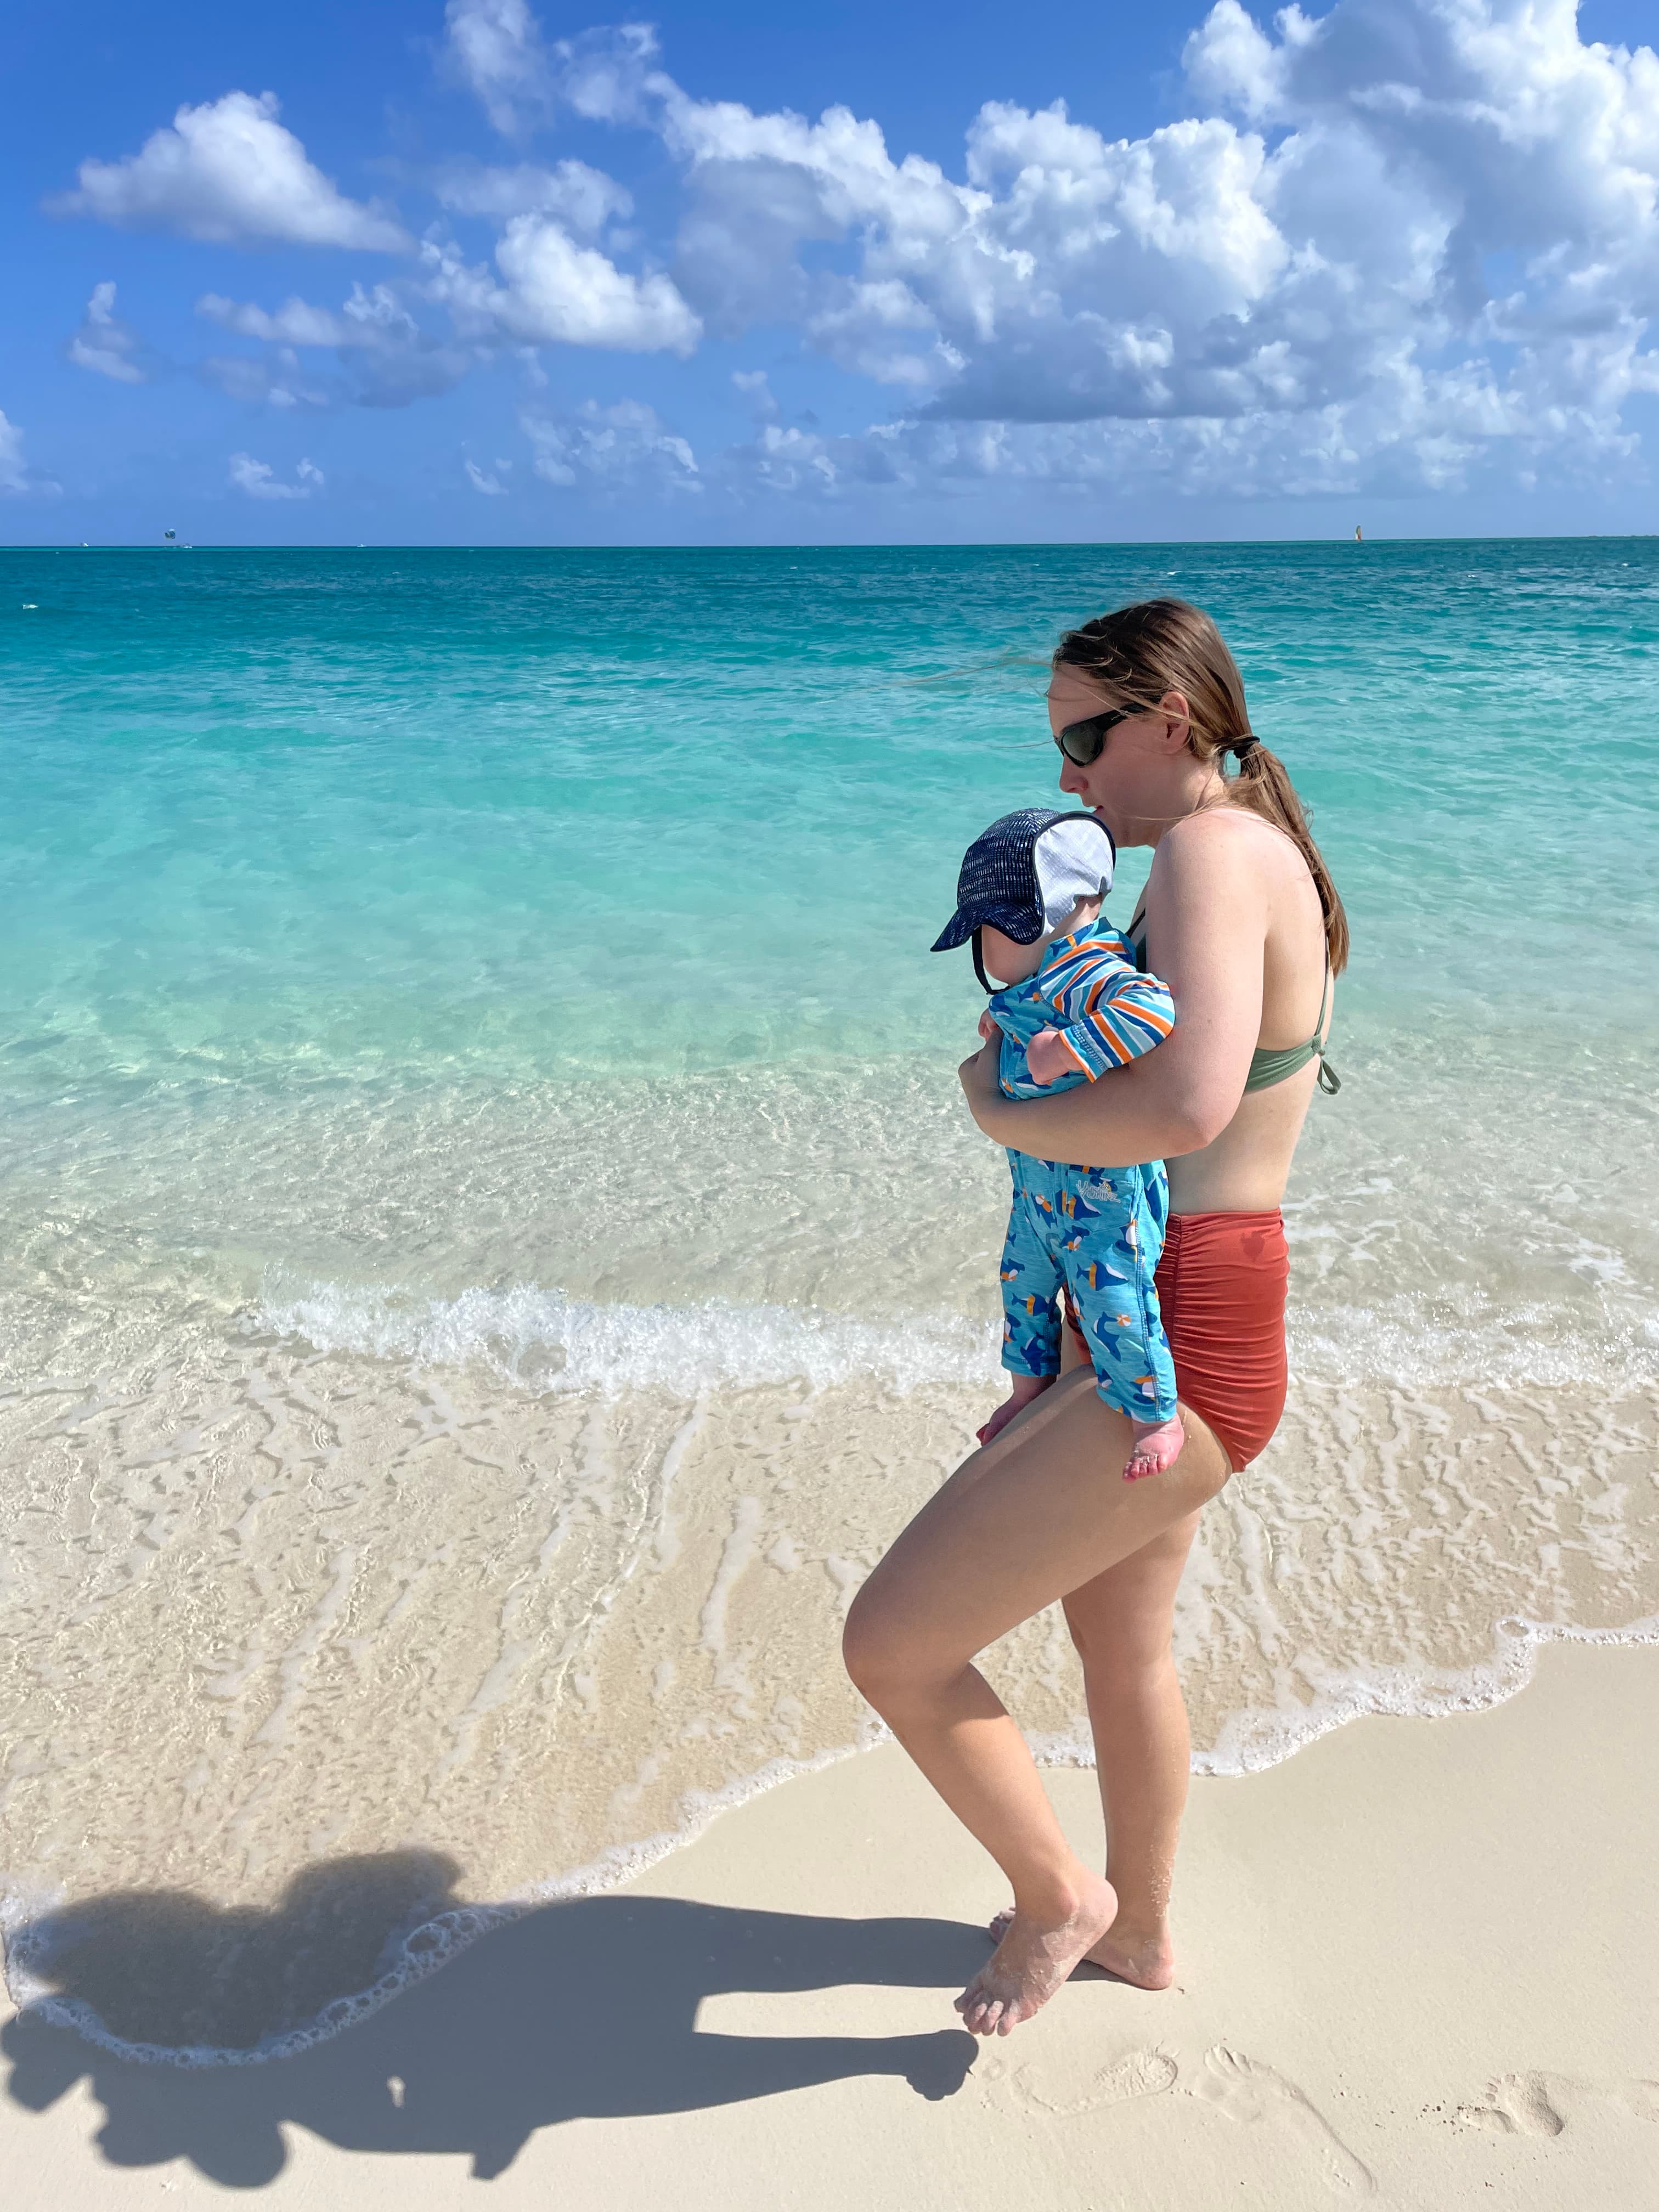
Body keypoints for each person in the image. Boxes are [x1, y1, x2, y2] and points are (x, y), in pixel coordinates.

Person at [842, 597, 1345, 2039]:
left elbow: (1182, 1104)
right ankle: (1146, 1936)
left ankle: (1061, 1898)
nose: (1067, 777)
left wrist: (993, 1105)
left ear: (1170, 720)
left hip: (1174, 1324)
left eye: (1083, 738)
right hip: (1194, 1301)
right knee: (1122, 1651)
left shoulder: (1206, 851)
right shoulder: (1261, 851)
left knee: (892, 1645)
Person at [930, 807, 1184, 1480]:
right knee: (1020, 1286)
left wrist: (1066, 1050)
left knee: (1117, 1303)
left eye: (987, 929)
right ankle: (1027, 1390)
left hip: (1104, 1200)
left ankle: (1157, 1417)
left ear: (1061, 914)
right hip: (1038, 1192)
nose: (981, 947)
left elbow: (1153, 1010)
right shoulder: (1038, 984)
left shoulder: (1090, 971)